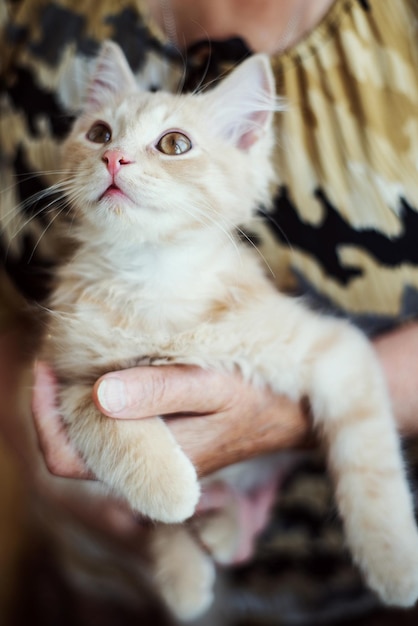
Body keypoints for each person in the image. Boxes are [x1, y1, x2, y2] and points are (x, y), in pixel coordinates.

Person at [1, 0, 418, 623]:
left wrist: (375, 515)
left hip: (333, 589)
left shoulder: (239, 294)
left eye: (171, 143)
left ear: (247, 143)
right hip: (94, 569)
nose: (118, 157)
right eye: (100, 132)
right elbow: (86, 401)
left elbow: (343, 364)